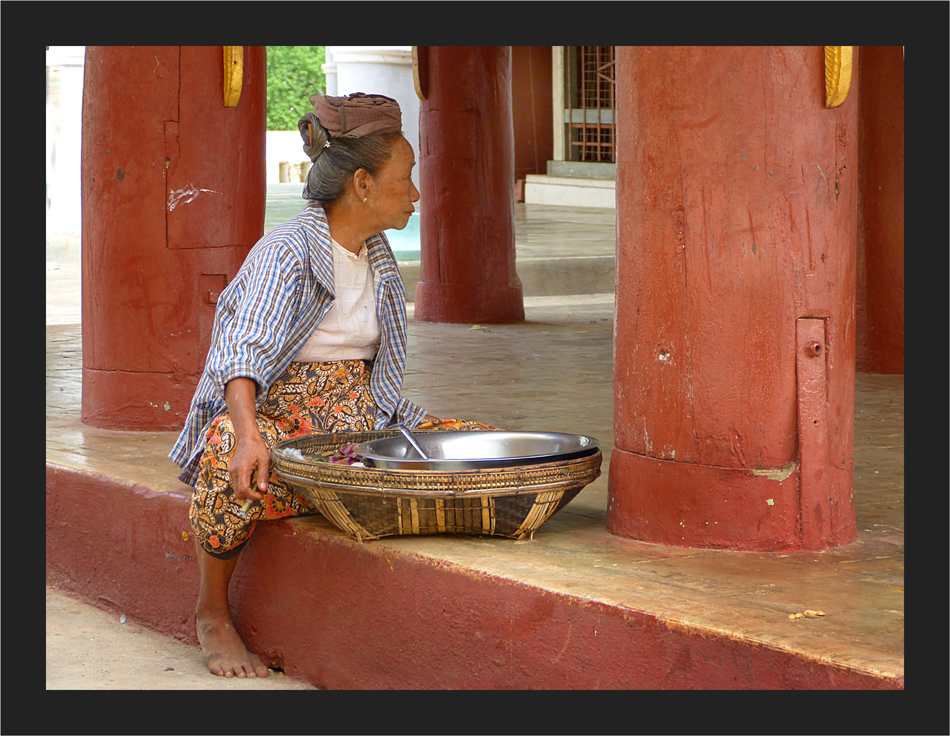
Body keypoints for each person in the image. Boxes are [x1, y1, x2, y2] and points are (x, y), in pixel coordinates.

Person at [169, 92, 486, 678]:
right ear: (363, 183)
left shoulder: (379, 256)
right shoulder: (286, 252)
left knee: (477, 445)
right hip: (285, 429)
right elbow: (240, 352)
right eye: (407, 177)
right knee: (226, 459)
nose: (416, 193)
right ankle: (213, 611)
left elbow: (378, 383)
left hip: (365, 425)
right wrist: (246, 435)